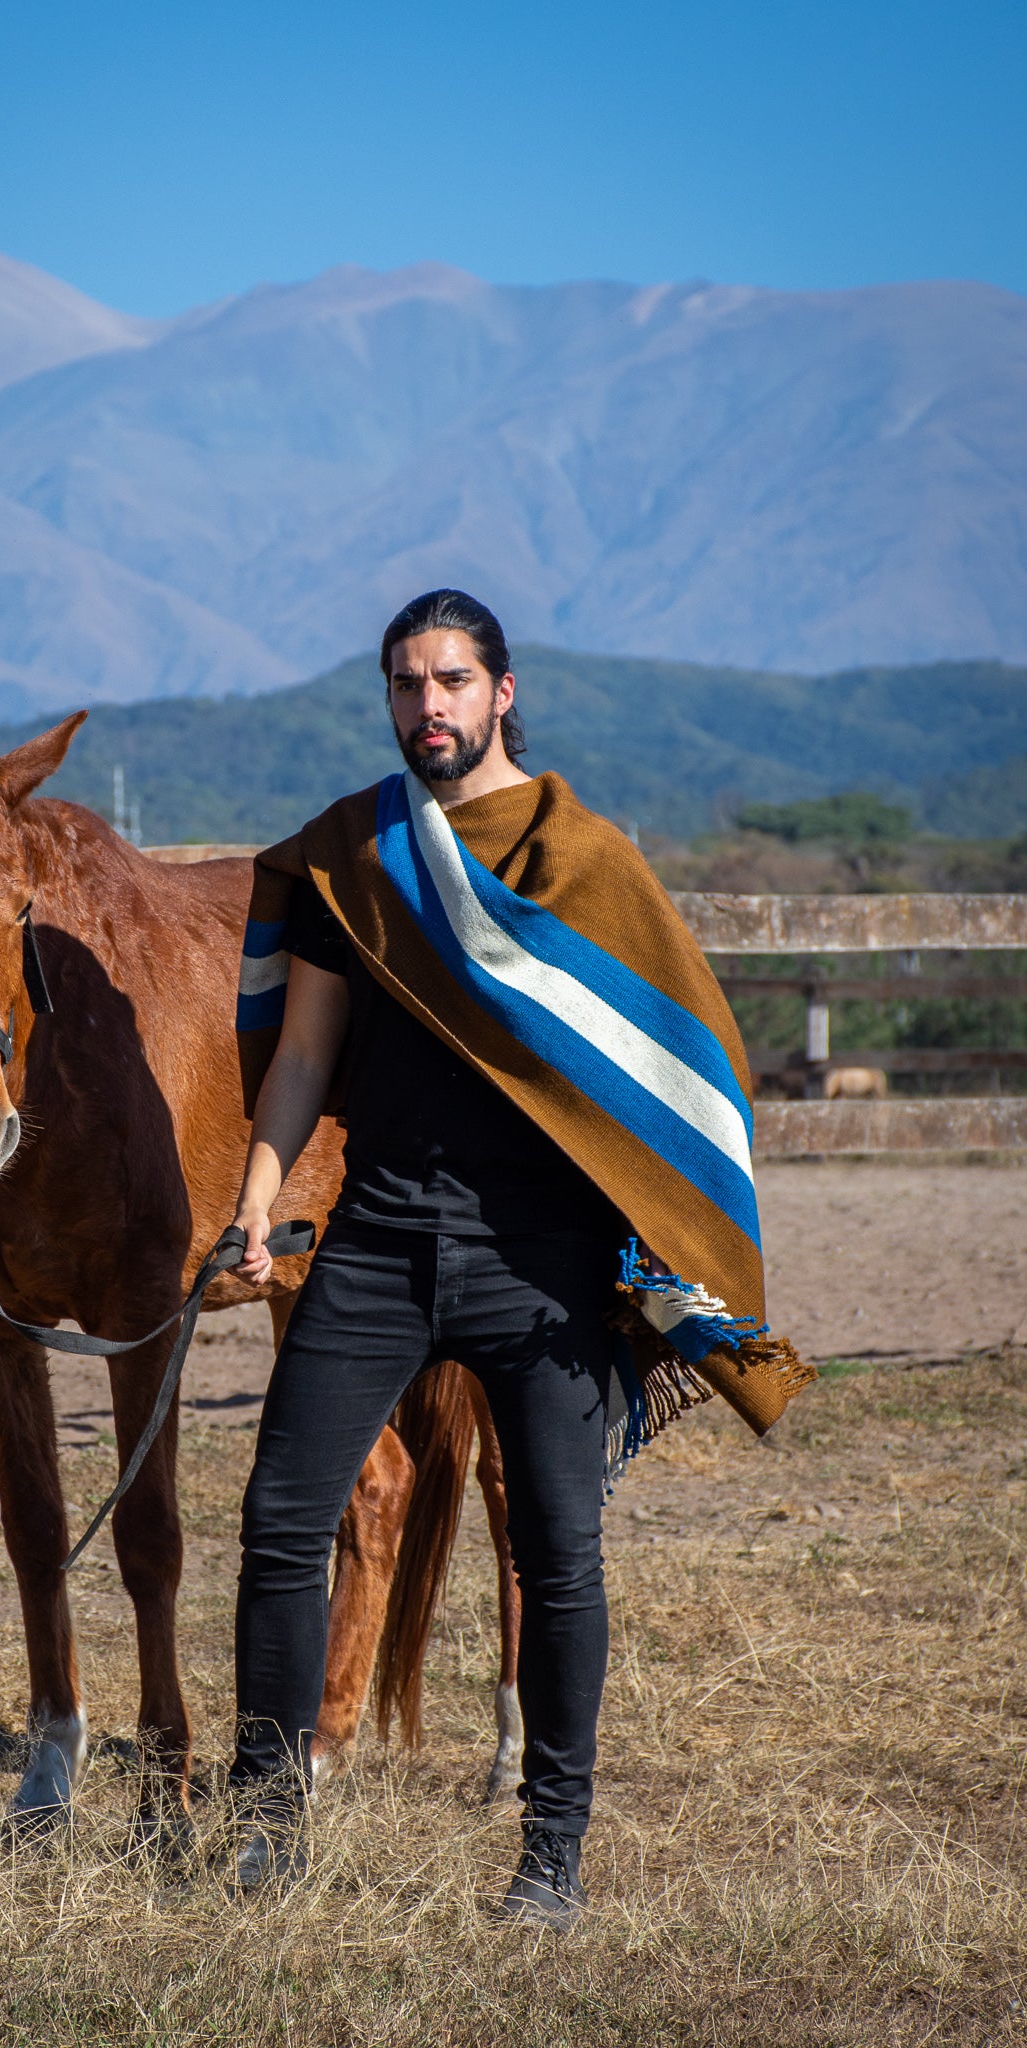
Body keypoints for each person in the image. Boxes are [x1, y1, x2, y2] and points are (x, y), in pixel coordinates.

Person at [226, 589, 809, 1926]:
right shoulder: (355, 855)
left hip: (537, 1258)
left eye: (448, 680)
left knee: (556, 1553)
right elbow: (303, 1056)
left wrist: (661, 1255)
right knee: (277, 1525)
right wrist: (253, 1209)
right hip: (373, 1237)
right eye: (401, 684)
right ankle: (269, 1821)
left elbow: (667, 1065)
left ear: (500, 691)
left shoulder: (584, 860)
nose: (424, 706)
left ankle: (550, 1856)